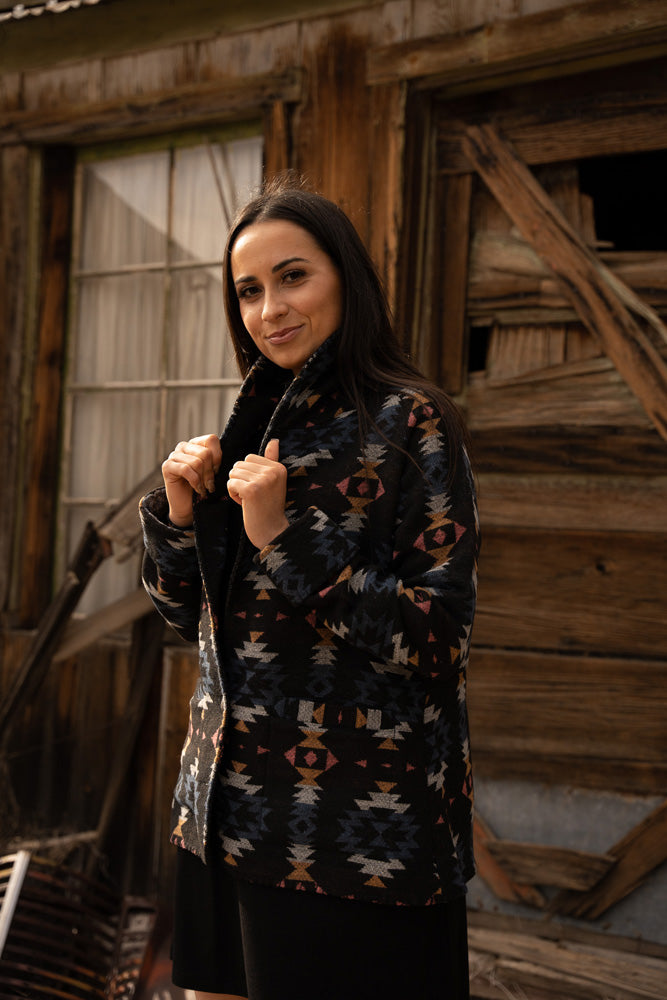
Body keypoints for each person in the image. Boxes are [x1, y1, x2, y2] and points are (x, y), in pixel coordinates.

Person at [139, 179, 480, 1000]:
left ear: (345, 279)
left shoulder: (412, 422)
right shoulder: (251, 426)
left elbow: (437, 635)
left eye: (293, 277)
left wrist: (283, 538)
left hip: (352, 834)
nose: (268, 310)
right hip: (222, 813)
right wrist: (178, 521)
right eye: (248, 290)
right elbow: (196, 623)